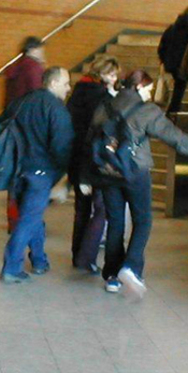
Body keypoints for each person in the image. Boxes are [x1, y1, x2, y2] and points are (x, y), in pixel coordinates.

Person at [83, 69, 188, 299]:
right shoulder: (146, 111)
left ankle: (111, 276)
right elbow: (176, 138)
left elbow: (89, 140)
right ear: (138, 87)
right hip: (135, 173)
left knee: (116, 222)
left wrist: (84, 176)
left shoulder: (105, 105)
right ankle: (130, 268)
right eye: (148, 89)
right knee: (143, 221)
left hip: (107, 172)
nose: (150, 94)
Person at [0, 66, 74, 284]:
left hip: (18, 169)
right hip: (40, 173)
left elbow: (1, 127)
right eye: (65, 83)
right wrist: (63, 180)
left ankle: (40, 260)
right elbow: (63, 147)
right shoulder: (57, 109)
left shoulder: (21, 102)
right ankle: (12, 267)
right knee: (29, 219)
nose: (69, 88)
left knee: (32, 217)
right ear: (52, 84)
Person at [67, 55, 120, 273]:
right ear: (104, 73)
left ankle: (76, 253)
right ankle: (86, 257)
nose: (115, 78)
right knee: (100, 209)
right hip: (93, 158)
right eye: (113, 74)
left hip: (75, 157)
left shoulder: (77, 91)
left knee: (81, 210)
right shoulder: (102, 96)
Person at [4, 36, 46, 232]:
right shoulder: (33, 68)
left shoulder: (15, 67)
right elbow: (38, 97)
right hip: (28, 126)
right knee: (30, 173)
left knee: (15, 174)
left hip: (11, 122)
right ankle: (27, 218)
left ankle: (13, 219)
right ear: (34, 49)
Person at [157, 5, 188, 114]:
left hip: (170, 61)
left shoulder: (173, 27)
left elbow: (162, 44)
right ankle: (174, 109)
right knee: (180, 86)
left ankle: (173, 108)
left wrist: (163, 59)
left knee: (178, 84)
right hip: (182, 64)